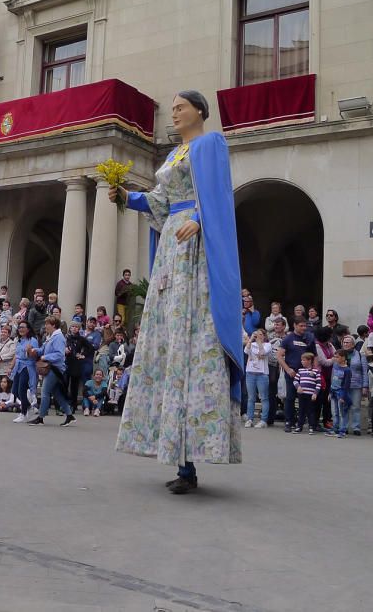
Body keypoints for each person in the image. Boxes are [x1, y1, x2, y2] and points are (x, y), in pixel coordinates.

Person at [109, 90, 242, 493]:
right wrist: (126, 196)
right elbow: (160, 201)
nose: (175, 113)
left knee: (192, 339)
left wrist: (201, 218)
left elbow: (219, 194)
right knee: (169, 343)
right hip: (171, 244)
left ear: (199, 111)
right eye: (174, 108)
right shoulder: (172, 155)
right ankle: (180, 460)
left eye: (181, 107)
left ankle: (192, 459)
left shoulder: (210, 143)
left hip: (194, 243)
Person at [27, 316, 75, 426]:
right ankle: (69, 415)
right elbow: (43, 349)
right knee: (56, 393)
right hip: (52, 368)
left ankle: (40, 418)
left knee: (45, 392)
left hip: (55, 368)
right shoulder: (52, 336)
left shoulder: (58, 337)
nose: (45, 326)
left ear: (53, 325)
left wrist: (45, 357)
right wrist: (34, 350)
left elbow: (59, 354)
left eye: (47, 324)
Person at [277, 317, 315, 433]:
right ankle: (289, 421)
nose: (304, 328)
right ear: (295, 325)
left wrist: (314, 371)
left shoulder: (308, 338)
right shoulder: (288, 339)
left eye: (305, 326)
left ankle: (303, 423)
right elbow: (279, 356)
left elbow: (315, 356)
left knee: (305, 399)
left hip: (306, 375)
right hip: (292, 373)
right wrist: (287, 369)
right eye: (301, 326)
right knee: (290, 398)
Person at [9, 320, 39, 422]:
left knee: (21, 389)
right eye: (19, 327)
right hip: (18, 365)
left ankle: (23, 413)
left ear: (28, 329)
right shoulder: (19, 340)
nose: (20, 329)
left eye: (23, 327)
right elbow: (16, 355)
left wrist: (29, 351)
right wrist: (10, 367)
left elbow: (36, 356)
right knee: (14, 391)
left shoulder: (33, 340)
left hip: (28, 366)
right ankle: (30, 407)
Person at [244, 328, 271, 428]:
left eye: (260, 335)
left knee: (264, 398)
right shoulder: (252, 344)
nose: (258, 337)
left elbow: (262, 353)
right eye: (257, 335)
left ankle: (263, 420)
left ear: (264, 336)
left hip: (262, 374)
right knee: (251, 398)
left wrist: (260, 342)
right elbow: (246, 351)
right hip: (250, 373)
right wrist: (251, 339)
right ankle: (249, 419)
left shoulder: (267, 345)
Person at [341, 334, 368, 436]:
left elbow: (364, 371)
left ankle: (356, 427)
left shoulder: (360, 354)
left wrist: (365, 386)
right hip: (343, 385)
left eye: (348, 342)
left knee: (356, 406)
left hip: (356, 384)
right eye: (344, 342)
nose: (346, 344)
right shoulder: (340, 355)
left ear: (353, 344)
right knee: (344, 406)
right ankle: (345, 426)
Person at [293, 352, 321, 434]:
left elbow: (318, 383)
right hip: (301, 394)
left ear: (309, 361)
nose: (302, 362)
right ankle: (299, 426)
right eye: (301, 360)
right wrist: (298, 387)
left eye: (304, 360)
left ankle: (311, 426)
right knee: (301, 410)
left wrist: (315, 393)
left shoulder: (316, 371)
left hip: (311, 395)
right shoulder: (300, 370)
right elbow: (295, 380)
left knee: (311, 411)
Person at [328, 349, 352, 438]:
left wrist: (343, 396)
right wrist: (330, 392)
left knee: (342, 413)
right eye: (335, 357)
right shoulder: (335, 366)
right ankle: (335, 429)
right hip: (333, 392)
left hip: (341, 393)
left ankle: (342, 430)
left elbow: (346, 385)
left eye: (337, 357)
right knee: (334, 413)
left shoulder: (347, 370)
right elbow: (332, 380)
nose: (335, 358)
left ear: (343, 358)